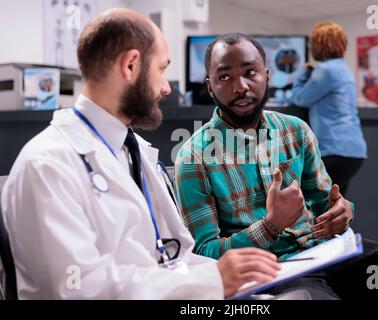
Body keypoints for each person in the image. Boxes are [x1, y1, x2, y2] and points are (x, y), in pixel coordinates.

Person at [0, 10, 281, 299]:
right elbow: (77, 287)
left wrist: (235, 282)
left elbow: (172, 257)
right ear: (131, 66)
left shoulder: (135, 151)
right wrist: (211, 281)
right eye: (161, 70)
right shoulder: (47, 165)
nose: (166, 87)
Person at [174, 33, 378, 300]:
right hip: (278, 270)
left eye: (250, 72)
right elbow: (204, 254)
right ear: (210, 86)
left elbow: (325, 205)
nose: (241, 86)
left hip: (331, 255)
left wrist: (342, 211)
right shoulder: (194, 156)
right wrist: (270, 226)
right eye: (225, 77)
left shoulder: (295, 130)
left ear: (267, 76)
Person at [290, 22, 367, 196]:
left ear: (321, 45)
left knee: (318, 207)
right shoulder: (343, 69)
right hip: (354, 151)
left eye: (313, 44)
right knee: (335, 208)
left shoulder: (326, 71)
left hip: (334, 150)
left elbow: (300, 99)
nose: (311, 47)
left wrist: (302, 75)